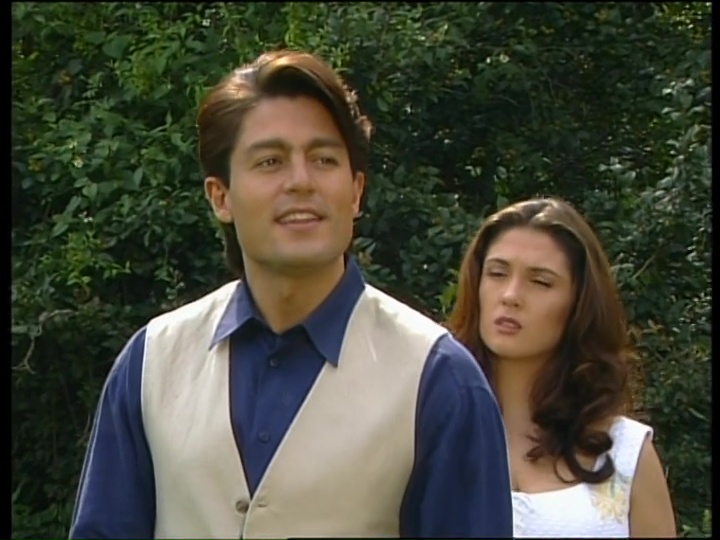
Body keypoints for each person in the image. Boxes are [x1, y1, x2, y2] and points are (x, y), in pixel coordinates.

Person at [68, 49, 514, 539]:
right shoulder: (152, 362)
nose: (301, 181)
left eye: (323, 159)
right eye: (270, 161)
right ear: (220, 196)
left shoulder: (440, 380)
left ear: (356, 192)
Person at [446, 196, 677, 538]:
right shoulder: (427, 433)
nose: (510, 295)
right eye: (497, 273)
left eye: (540, 281)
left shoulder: (626, 454)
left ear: (579, 304)